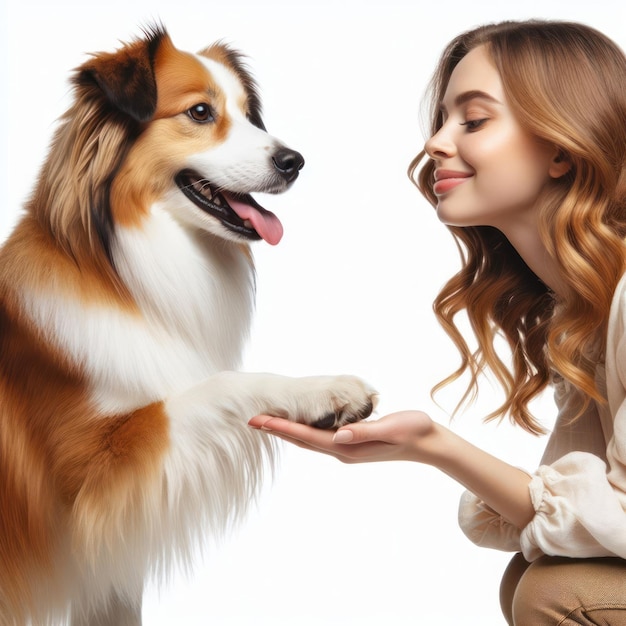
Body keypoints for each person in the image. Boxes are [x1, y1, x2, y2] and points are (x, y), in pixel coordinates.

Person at [248, 20, 626, 625]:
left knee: (559, 591)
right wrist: (427, 447)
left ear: (561, 147)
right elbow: (598, 517)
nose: (435, 144)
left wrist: (435, 445)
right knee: (536, 577)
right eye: (442, 121)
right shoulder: (583, 309)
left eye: (473, 121)